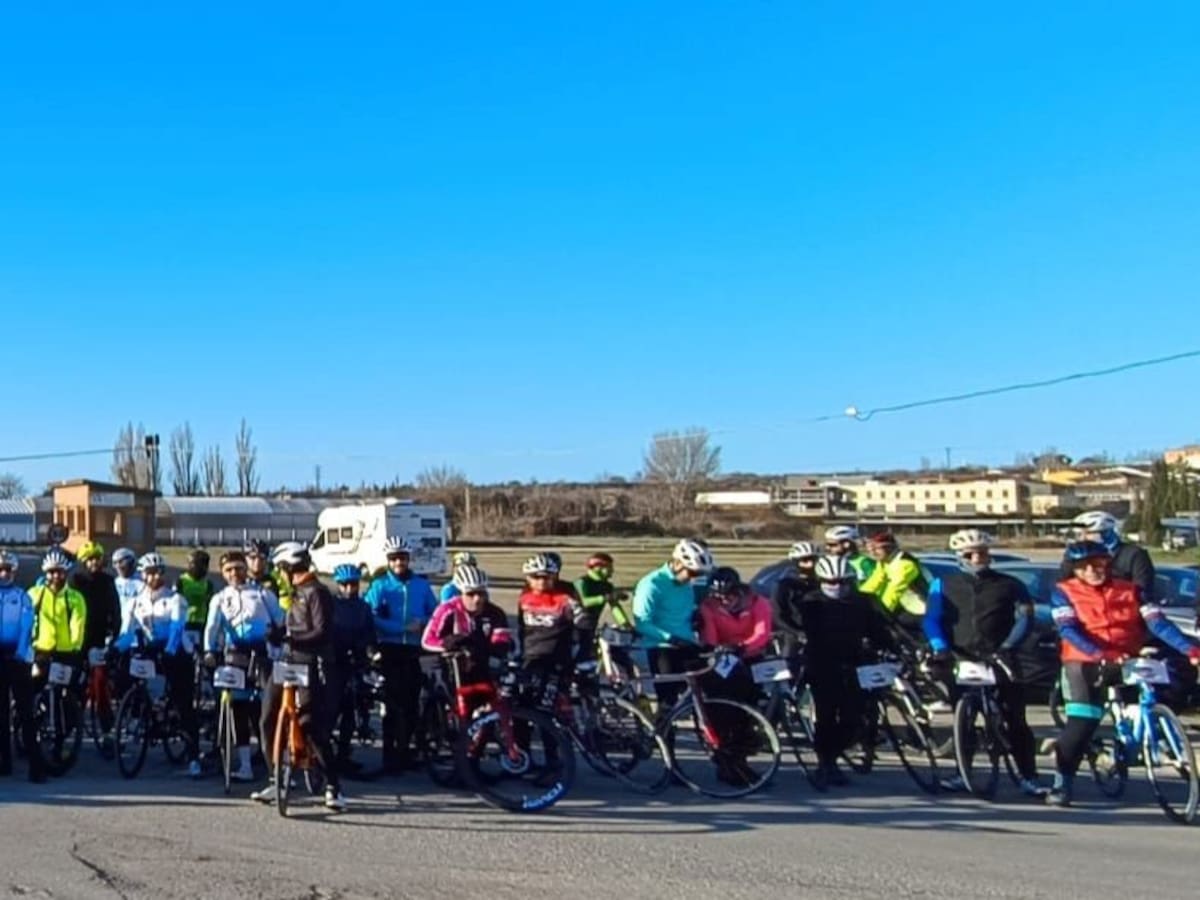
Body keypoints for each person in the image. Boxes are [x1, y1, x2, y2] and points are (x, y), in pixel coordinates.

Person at [1046, 540, 1200, 807]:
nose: (1092, 571)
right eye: (1083, 567)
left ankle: (1160, 742)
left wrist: (1191, 649)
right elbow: (1068, 630)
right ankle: (1062, 783)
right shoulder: (1064, 592)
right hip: (1085, 661)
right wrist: (1100, 653)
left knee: (1156, 696)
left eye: (1098, 564)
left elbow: (1158, 623)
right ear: (1074, 570)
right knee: (1082, 724)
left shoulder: (1132, 590)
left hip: (1128, 657)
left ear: (1108, 564)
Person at [923, 529, 1043, 797]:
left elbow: (1025, 617)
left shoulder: (1011, 584)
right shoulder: (942, 583)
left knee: (1015, 718)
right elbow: (932, 618)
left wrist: (1008, 646)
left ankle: (1028, 776)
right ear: (959, 557)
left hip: (1001, 655)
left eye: (983, 553)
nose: (978, 559)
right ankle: (961, 771)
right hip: (962, 656)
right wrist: (940, 647)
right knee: (963, 719)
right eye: (971, 554)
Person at [253, 541, 346, 811]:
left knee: (310, 725)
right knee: (268, 718)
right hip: (288, 661)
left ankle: (333, 787)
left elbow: (322, 631)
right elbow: (289, 625)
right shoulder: (296, 592)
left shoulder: (317, 592)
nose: (280, 575)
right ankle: (276, 779)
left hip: (311, 662)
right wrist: (276, 633)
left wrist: (292, 639)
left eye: (280, 569)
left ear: (289, 567)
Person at [799, 555, 895, 788]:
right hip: (822, 665)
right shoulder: (811, 602)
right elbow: (801, 631)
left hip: (855, 664)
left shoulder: (862, 601)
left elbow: (879, 631)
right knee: (826, 716)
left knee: (854, 718)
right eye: (831, 582)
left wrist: (891, 649)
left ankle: (836, 752)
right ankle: (826, 763)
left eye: (843, 582)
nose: (837, 587)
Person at [116, 552, 202, 777]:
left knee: (183, 703)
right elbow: (126, 632)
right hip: (150, 648)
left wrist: (170, 651)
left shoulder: (175, 600)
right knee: (130, 678)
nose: (155, 577)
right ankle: (141, 713)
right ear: (143, 575)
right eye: (150, 573)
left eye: (158, 572)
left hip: (177, 650)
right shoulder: (135, 602)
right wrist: (115, 648)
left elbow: (176, 629)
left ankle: (194, 757)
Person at [203, 551, 284, 782]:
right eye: (228, 570)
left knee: (266, 710)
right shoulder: (219, 598)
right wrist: (209, 650)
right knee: (238, 709)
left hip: (263, 655)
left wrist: (279, 641)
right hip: (235, 656)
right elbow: (212, 627)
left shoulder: (262, 594)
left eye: (238, 568)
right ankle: (245, 766)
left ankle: (277, 766)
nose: (234, 574)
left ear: (245, 569)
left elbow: (281, 620)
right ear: (222, 573)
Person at [362, 536, 438, 773]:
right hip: (390, 649)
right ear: (388, 560)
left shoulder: (421, 585)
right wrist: (398, 628)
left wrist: (422, 623)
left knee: (411, 703)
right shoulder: (380, 585)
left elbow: (436, 613)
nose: (398, 563)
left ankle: (406, 751)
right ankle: (389, 755)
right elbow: (370, 616)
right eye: (394, 558)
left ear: (408, 559)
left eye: (402, 558)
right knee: (392, 705)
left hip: (414, 649)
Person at [697, 566, 774, 786]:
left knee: (750, 706)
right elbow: (710, 637)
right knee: (724, 710)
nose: (724, 600)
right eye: (718, 596)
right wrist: (721, 650)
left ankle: (743, 756)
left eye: (729, 594)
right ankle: (727, 762)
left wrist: (743, 648)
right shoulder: (708, 607)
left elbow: (762, 633)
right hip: (724, 658)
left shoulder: (757, 602)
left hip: (751, 655)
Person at [632, 539, 713, 710]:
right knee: (668, 701)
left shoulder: (686, 585)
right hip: (661, 647)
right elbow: (642, 623)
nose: (694, 578)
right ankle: (663, 723)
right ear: (677, 564)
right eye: (692, 573)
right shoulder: (651, 584)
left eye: (698, 574)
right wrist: (671, 639)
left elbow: (685, 613)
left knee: (709, 692)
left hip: (687, 643)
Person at [422, 565, 513, 689]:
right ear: (460, 593)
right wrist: (450, 644)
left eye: (481, 593)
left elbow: (501, 641)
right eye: (471, 594)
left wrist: (493, 649)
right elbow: (427, 640)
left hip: (483, 668)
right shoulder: (447, 610)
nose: (477, 599)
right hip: (452, 669)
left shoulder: (495, 613)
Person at [70, 541, 121, 756]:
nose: (94, 563)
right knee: (73, 684)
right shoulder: (75, 581)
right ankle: (70, 726)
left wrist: (113, 635)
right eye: (89, 559)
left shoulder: (108, 582)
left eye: (97, 559)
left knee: (100, 684)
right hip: (76, 641)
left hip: (99, 640)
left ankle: (107, 731)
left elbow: (115, 611)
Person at [0, 550, 45, 782]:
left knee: (26, 713)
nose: (3, 574)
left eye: (8, 570)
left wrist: (19, 651)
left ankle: (36, 766)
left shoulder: (23, 597)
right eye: (0, 569)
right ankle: (4, 762)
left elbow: (27, 627)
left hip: (18, 660)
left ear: (14, 572)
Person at [517, 553, 587, 701]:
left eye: (547, 577)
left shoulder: (566, 595)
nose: (541, 581)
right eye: (536, 577)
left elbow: (581, 620)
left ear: (555, 576)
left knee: (556, 699)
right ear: (528, 578)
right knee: (523, 698)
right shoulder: (524, 596)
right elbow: (521, 626)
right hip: (531, 654)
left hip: (558, 654)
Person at [329, 564, 375, 773]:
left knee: (352, 708)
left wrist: (370, 651)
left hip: (355, 661)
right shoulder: (331, 605)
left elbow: (369, 633)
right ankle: (324, 754)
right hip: (334, 661)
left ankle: (344, 754)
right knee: (331, 709)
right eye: (345, 585)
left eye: (353, 584)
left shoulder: (363, 608)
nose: (349, 589)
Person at [1059, 511, 1155, 602]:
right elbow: (1063, 584)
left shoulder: (1134, 554)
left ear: (1105, 534)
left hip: (1122, 603)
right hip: (1083, 602)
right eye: (1079, 535)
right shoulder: (1075, 554)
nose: (1082, 538)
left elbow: (1143, 589)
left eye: (1087, 533)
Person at [29, 548, 87, 676]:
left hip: (66, 652)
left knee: (66, 686)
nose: (56, 576)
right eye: (51, 572)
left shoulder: (75, 598)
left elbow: (78, 625)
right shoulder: (35, 594)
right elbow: (26, 622)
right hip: (40, 651)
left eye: (60, 572)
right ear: (46, 573)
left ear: (65, 572)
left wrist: (75, 649)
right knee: (35, 684)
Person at [860, 532, 928, 632]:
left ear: (890, 547)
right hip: (900, 607)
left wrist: (879, 614)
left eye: (876, 549)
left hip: (919, 611)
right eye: (869, 549)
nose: (872, 553)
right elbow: (873, 583)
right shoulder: (884, 562)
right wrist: (857, 599)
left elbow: (894, 590)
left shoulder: (905, 564)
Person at [771, 541, 821, 659]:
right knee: (789, 663)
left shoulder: (821, 583)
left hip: (820, 634)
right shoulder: (784, 585)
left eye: (814, 559)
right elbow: (778, 616)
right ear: (795, 562)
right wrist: (798, 633)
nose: (811, 564)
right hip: (793, 635)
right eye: (805, 560)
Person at [178, 548, 216, 635]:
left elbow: (210, 604)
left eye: (206, 566)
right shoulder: (181, 581)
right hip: (185, 622)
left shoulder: (208, 584)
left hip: (201, 623)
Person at [246, 540, 292, 610]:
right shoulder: (238, 580)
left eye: (262, 557)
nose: (257, 561)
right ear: (245, 558)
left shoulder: (275, 580)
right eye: (253, 557)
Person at [112, 547, 143, 620]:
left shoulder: (142, 582)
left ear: (131, 563)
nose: (118, 566)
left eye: (121, 562)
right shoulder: (114, 583)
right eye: (115, 563)